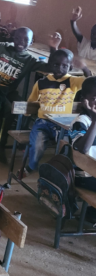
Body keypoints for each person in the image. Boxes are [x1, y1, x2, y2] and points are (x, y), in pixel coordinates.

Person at [0, 13, 46, 164]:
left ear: (31, 43)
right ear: (13, 38)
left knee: (24, 107)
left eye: (25, 40)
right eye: (17, 38)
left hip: (8, 92)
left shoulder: (29, 60)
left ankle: (21, 141)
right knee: (8, 109)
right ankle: (0, 145)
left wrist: (54, 49)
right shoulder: (2, 49)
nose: (20, 42)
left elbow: (49, 67)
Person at [20, 49, 90, 178]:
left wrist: (84, 68)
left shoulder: (72, 81)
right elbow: (31, 102)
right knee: (37, 144)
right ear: (49, 65)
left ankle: (65, 170)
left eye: (65, 65)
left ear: (70, 67)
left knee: (67, 147)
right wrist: (25, 117)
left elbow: (90, 82)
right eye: (56, 64)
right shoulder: (41, 82)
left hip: (63, 125)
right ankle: (31, 166)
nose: (60, 68)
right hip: (43, 122)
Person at [69, 76, 96, 223]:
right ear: (84, 99)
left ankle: (92, 213)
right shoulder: (81, 122)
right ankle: (92, 213)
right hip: (84, 175)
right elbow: (83, 149)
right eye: (94, 98)